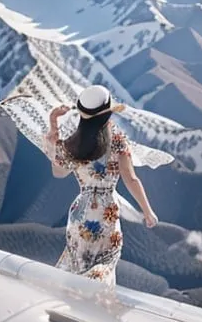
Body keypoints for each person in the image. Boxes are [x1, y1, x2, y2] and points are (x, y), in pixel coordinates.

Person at [43, 84, 158, 286]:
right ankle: (94, 301)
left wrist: (54, 126)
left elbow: (58, 173)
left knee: (77, 263)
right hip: (107, 212)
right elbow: (131, 179)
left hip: (80, 212)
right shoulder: (118, 140)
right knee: (106, 262)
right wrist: (147, 211)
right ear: (107, 115)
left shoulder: (74, 142)